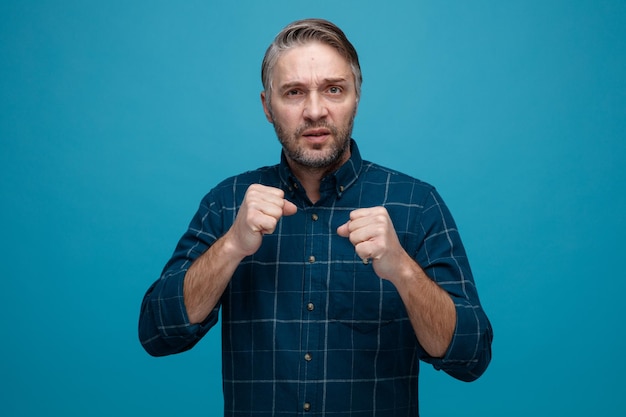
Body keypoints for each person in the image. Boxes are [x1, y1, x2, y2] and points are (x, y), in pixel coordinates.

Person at [139, 18, 492, 416]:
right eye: (293, 93)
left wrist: (404, 272)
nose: (314, 110)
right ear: (267, 106)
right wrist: (232, 246)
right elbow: (158, 333)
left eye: (334, 90)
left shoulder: (417, 204)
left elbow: (471, 357)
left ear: (356, 97)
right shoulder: (227, 203)